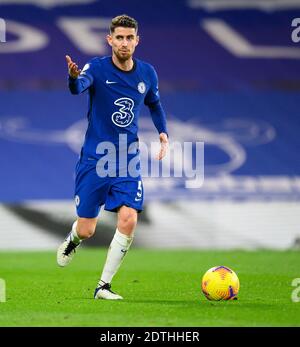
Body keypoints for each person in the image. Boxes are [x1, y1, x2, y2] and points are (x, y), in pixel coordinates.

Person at [56, 14, 168, 300]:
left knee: (129, 218)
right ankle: (73, 239)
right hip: (96, 159)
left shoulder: (147, 73)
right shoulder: (96, 67)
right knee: (87, 229)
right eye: (119, 37)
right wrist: (72, 77)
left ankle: (102, 286)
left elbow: (155, 104)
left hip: (127, 159)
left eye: (129, 38)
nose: (124, 43)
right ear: (110, 40)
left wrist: (163, 132)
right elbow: (78, 88)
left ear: (137, 40)